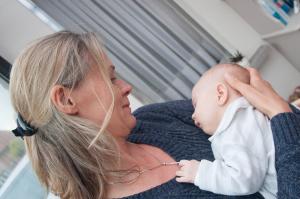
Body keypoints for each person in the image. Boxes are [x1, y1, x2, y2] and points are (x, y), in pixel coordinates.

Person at [9, 31, 300, 199]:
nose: (126, 87)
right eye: (111, 79)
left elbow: (254, 126)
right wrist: (282, 116)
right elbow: (281, 129)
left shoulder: (154, 119)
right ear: (66, 99)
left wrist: (280, 113)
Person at [175, 64, 277, 198]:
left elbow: (245, 179)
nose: (193, 115)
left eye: (196, 104)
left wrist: (201, 173)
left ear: (220, 94)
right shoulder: (251, 116)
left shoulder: (234, 129)